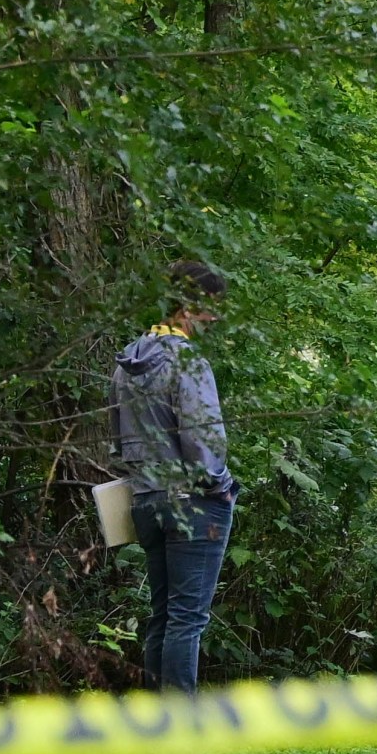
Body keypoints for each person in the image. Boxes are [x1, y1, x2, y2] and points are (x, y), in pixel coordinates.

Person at [109, 260, 237, 694]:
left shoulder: (126, 362)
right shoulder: (188, 362)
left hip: (144, 497)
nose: (214, 318)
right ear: (186, 307)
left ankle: (158, 724)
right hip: (192, 503)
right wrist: (220, 486)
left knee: (163, 614)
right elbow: (203, 442)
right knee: (188, 618)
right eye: (208, 307)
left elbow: (117, 440)